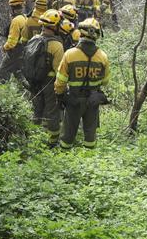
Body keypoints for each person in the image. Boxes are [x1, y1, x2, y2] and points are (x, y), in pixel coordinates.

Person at [54, 18, 109, 150]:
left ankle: (65, 158)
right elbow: (105, 81)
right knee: (90, 135)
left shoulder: (70, 54)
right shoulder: (103, 56)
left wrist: (60, 95)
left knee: (68, 134)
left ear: (80, 33)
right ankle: (89, 159)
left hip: (73, 99)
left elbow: (61, 81)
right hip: (93, 101)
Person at [25, 9, 66, 147]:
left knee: (37, 110)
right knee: (52, 112)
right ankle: (52, 142)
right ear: (54, 26)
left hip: (34, 82)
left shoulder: (33, 40)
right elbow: (59, 70)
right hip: (49, 84)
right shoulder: (56, 45)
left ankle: (34, 140)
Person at [1, 0, 28, 82]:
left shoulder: (16, 21)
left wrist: (5, 47)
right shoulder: (25, 17)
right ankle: (24, 89)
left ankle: (4, 92)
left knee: (3, 70)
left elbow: (12, 42)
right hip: (24, 50)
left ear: (12, 8)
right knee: (18, 72)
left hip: (15, 51)